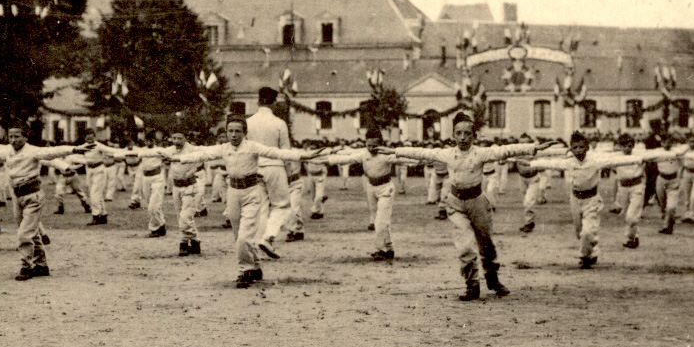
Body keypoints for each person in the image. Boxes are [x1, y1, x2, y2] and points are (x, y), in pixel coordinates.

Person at [388, 113, 549, 300]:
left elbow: (504, 150)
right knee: (464, 246)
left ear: (474, 136)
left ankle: (492, 277)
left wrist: (533, 147)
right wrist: (395, 151)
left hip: (478, 203)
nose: (462, 138)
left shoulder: (480, 153)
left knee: (486, 244)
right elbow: (423, 153)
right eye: (458, 133)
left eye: (467, 133)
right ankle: (472, 285)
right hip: (456, 205)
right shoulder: (447, 154)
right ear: (453, 135)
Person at [166, 115, 324, 288]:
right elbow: (203, 154)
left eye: (237, 131)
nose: (233, 135)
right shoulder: (223, 148)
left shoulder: (252, 147)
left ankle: (244, 270)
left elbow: (277, 152)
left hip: (252, 193)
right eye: (230, 131)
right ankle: (255, 267)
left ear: (245, 133)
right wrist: (177, 159)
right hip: (233, 193)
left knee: (244, 236)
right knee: (238, 236)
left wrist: (304, 156)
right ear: (226, 132)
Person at [0, 122, 92, 280]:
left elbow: (52, 152)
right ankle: (41, 265)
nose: (13, 140)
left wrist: (74, 149)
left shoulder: (32, 151)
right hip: (17, 196)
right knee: (30, 232)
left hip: (33, 196)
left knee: (24, 234)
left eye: (17, 136)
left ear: (25, 137)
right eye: (10, 136)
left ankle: (26, 266)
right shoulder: (7, 151)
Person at [530, 132, 678, 268]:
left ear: (587, 147)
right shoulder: (569, 162)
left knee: (587, 232)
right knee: (579, 232)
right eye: (575, 148)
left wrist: (649, 158)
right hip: (575, 199)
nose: (579, 151)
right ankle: (591, 248)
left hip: (592, 200)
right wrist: (530, 163)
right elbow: (550, 163)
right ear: (571, 149)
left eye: (582, 147)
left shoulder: (596, 161)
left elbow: (620, 161)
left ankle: (586, 257)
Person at [329, 129, 399, 260]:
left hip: (386, 188)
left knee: (380, 220)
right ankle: (389, 248)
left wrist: (425, 159)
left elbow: (406, 159)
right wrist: (328, 160)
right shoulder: (364, 154)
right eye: (368, 145)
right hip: (371, 188)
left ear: (380, 144)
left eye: (374, 145)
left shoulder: (387, 154)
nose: (371, 148)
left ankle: (379, 249)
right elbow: (347, 158)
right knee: (379, 219)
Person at [246, 86, 293, 259]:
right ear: (273, 103)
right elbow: (285, 151)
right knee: (282, 205)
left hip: (255, 167)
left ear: (258, 101)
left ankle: (258, 244)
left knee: (262, 208)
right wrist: (289, 172)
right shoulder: (279, 123)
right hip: (274, 166)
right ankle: (268, 237)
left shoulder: (249, 122)